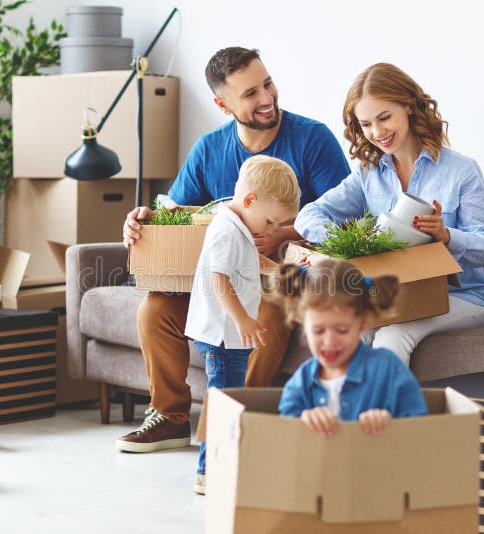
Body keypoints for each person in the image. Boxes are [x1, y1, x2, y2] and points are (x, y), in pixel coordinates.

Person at [118, 47, 350, 453]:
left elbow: (347, 219)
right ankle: (170, 417)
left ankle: (237, 422)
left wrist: (285, 234)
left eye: (267, 84)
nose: (266, 98)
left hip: (282, 281)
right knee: (155, 310)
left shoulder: (313, 140)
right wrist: (145, 218)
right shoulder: (209, 149)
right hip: (223, 278)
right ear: (222, 104)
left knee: (268, 312)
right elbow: (177, 210)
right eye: (249, 94)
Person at [294, 63, 484, 365]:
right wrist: (345, 244)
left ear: (409, 107)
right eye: (365, 124)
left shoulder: (460, 171)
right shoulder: (369, 174)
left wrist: (445, 236)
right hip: (397, 296)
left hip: (463, 297)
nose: (377, 132)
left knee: (393, 334)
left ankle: (380, 411)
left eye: (384, 117)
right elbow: (308, 214)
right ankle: (347, 410)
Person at [186, 155, 300, 495]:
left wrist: (274, 268)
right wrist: (243, 320)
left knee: (230, 397)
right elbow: (219, 279)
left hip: (230, 336)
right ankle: (209, 470)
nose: (270, 231)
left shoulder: (239, 225)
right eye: (269, 222)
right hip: (224, 335)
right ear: (249, 200)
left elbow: (246, 262)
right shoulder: (225, 230)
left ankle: (225, 462)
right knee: (224, 400)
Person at [271, 259, 428, 436]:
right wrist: (303, 421)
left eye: (342, 330)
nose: (330, 341)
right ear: (303, 325)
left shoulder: (389, 369)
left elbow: (418, 426)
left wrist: (391, 423)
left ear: (363, 322)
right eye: (318, 331)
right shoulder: (301, 381)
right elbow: (286, 435)